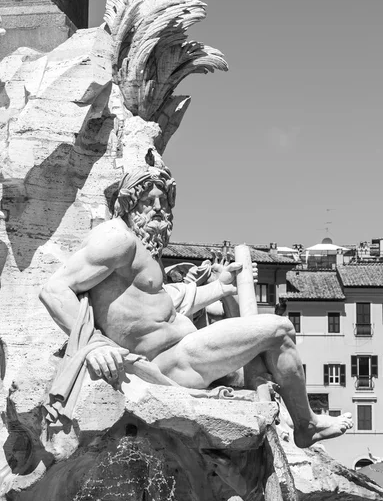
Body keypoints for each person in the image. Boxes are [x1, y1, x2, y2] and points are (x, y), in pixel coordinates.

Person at [40, 161, 352, 448]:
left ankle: (291, 429)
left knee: (268, 371)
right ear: (128, 204)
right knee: (280, 329)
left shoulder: (138, 249)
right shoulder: (115, 239)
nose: (160, 210)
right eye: (149, 202)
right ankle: (306, 424)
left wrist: (220, 286)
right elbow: (54, 290)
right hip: (171, 362)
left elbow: (166, 305)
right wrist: (93, 345)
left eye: (164, 202)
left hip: (185, 354)